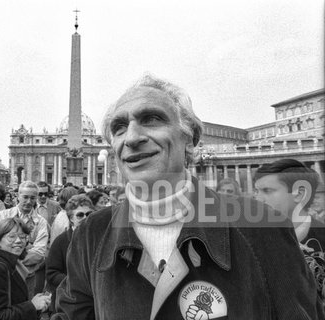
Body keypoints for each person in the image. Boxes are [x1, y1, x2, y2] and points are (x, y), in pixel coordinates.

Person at [54, 75, 323, 319]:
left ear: (190, 140)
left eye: (151, 119)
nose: (132, 137)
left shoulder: (264, 227)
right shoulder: (91, 233)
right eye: (120, 127)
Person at [254, 158, 325, 304]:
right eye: (256, 191)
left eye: (267, 191)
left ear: (299, 194)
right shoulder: (252, 237)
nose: (257, 199)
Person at [0, 217, 51, 320]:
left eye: (22, 237)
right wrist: (32, 306)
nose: (18, 241)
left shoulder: (13, 264)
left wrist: (37, 307)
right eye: (11, 236)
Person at [0, 181, 49, 296]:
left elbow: (39, 252)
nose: (28, 201)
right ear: (18, 196)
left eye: (32, 198)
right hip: (2, 275)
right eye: (25, 197)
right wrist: (26, 249)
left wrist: (8, 254)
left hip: (27, 277)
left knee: (26, 308)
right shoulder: (3, 215)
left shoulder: (41, 222)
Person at [46, 194, 93, 314]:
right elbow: (52, 274)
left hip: (91, 303)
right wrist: (76, 282)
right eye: (80, 215)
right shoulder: (61, 241)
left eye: (89, 214)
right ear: (71, 218)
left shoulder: (96, 240)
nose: (85, 218)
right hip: (67, 303)